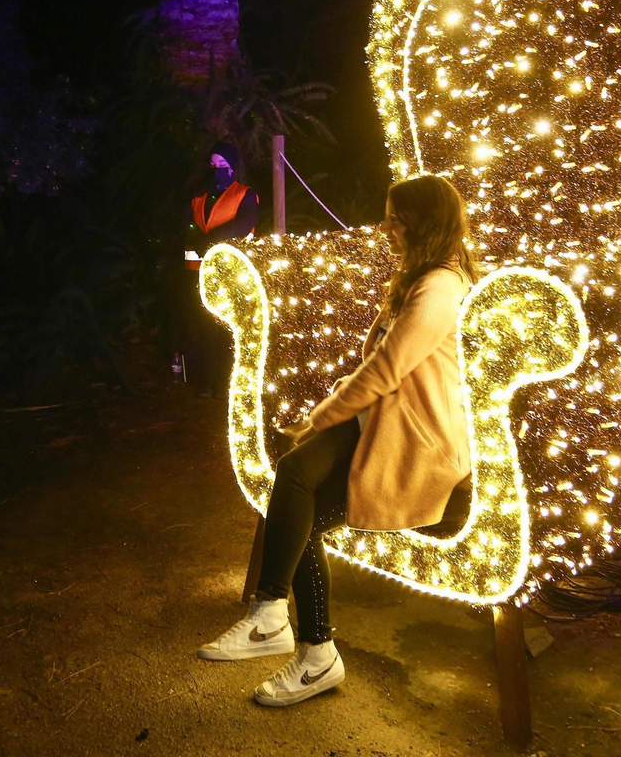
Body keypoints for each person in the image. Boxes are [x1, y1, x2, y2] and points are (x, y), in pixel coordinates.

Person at [195, 174, 477, 706]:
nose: (386, 226)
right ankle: (285, 628)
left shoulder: (439, 287)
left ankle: (292, 634)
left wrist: (322, 414)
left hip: (417, 440)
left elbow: (387, 371)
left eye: (396, 216)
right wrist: (323, 414)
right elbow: (378, 371)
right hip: (380, 421)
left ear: (424, 221)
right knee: (295, 474)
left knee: (299, 498)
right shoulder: (418, 278)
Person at [180, 143, 259, 394]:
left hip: (231, 273)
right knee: (204, 329)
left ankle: (227, 384)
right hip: (198, 273)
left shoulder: (245, 195)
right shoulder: (198, 195)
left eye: (223, 166)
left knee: (228, 331)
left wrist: (210, 240)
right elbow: (186, 226)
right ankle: (206, 382)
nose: (216, 170)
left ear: (233, 168)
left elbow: (243, 225)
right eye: (213, 165)